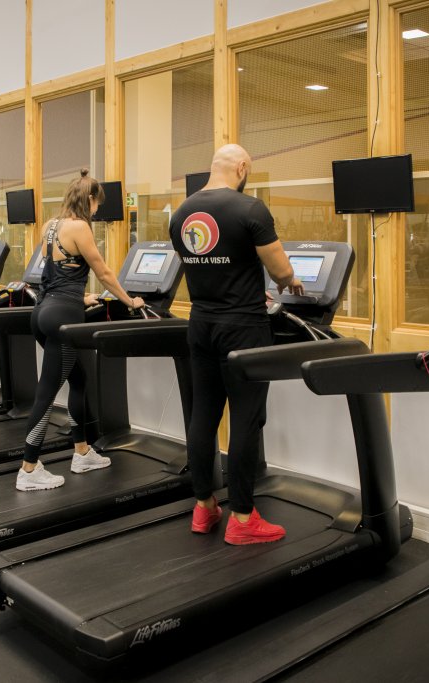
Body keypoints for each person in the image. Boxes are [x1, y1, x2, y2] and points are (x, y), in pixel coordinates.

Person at [168, 144, 303, 545]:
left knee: (203, 414)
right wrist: (289, 281)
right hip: (243, 328)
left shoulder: (181, 213)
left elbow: (208, 266)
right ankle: (243, 517)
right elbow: (279, 268)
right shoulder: (250, 209)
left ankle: (204, 506)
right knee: (246, 418)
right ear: (242, 167)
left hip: (201, 324)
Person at [16, 170, 145, 492]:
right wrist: (130, 301)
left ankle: (82, 452)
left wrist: (80, 296)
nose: (98, 209)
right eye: (97, 203)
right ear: (88, 199)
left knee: (79, 380)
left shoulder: (50, 225)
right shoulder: (80, 227)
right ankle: (28, 468)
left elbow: (55, 272)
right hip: (63, 318)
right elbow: (103, 272)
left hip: (43, 311)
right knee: (47, 392)